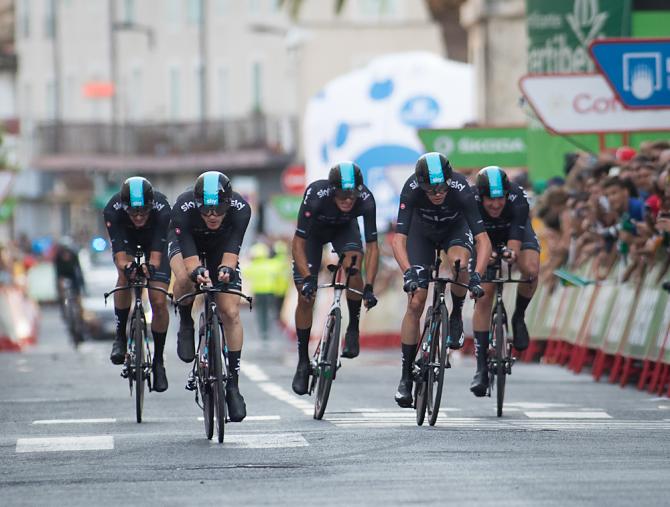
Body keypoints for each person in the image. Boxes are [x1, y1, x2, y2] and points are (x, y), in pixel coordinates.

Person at [391, 152, 491, 408]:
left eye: (441, 187)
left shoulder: (461, 189)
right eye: (430, 189)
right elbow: (399, 240)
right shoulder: (411, 188)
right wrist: (408, 271)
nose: (436, 193)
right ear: (420, 184)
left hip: (454, 231)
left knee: (460, 264)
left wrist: (476, 275)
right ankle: (405, 378)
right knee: (416, 302)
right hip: (420, 234)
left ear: (449, 179)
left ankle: (456, 313)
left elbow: (482, 240)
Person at [168, 171, 250, 422]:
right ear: (197, 204)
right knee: (184, 278)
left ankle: (233, 386)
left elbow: (232, 249)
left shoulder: (241, 209)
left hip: (221, 246)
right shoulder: (183, 206)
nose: (212, 216)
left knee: (230, 312)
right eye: (206, 210)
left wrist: (225, 270)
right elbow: (191, 260)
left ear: (228, 205)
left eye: (218, 210)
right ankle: (185, 321)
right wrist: (198, 272)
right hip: (187, 243)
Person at [291, 161, 379, 395]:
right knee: (305, 297)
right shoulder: (315, 195)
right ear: (332, 190)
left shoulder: (367, 199)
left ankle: (353, 327)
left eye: (352, 195)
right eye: (342, 194)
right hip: (312, 236)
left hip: (344, 230)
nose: (348, 200)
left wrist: (369, 286)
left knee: (353, 263)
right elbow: (298, 243)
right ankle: (302, 361)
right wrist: (308, 278)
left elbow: (372, 246)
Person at [469, 166, 541, 396]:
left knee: (530, 269)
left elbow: (517, 237)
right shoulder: (469, 200)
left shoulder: (518, 196)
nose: (496, 204)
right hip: (483, 236)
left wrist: (510, 253)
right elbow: (471, 237)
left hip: (513, 231)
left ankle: (518, 317)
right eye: (490, 199)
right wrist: (485, 256)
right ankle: (481, 368)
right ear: (481, 196)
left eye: (500, 199)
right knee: (484, 295)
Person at [104, 176, 172, 392]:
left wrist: (150, 268)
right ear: (125, 208)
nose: (139, 216)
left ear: (151, 206)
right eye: (134, 212)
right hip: (128, 240)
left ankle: (159, 361)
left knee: (159, 300)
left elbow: (156, 258)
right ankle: (120, 337)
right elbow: (120, 257)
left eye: (144, 211)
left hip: (155, 242)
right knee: (124, 276)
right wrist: (129, 268)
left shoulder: (163, 209)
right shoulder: (112, 210)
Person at [53, 237, 85, 318]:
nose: (66, 253)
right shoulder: (58, 257)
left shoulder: (74, 255)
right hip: (62, 274)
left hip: (72, 274)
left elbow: (78, 268)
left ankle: (80, 310)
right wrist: (59, 281)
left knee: (77, 292)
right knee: (60, 287)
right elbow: (57, 271)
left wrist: (82, 284)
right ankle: (63, 307)